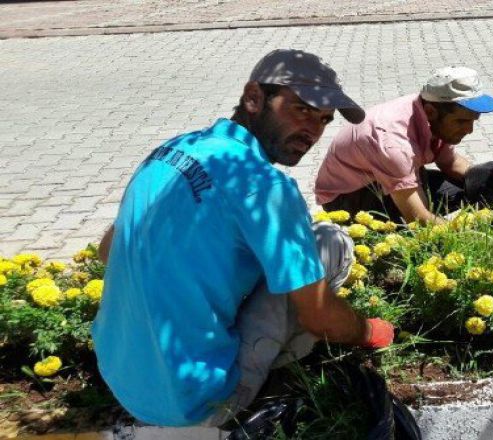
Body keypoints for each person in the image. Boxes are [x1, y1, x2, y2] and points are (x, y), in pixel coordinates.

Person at [91, 49, 394, 428]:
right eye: (301, 110)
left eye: (323, 120)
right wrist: (369, 330)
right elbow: (320, 318)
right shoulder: (266, 188)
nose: (312, 132)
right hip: (197, 402)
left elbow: (108, 250)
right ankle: (266, 369)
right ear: (254, 97)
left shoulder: (170, 151)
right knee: (329, 242)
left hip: (118, 374)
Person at [314, 66, 493, 224]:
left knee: (466, 192)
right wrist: (473, 235)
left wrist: (492, 183)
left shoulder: (431, 110)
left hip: (389, 175)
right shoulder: (393, 143)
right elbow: (417, 218)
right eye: (461, 122)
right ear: (430, 111)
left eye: (473, 121)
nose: (469, 130)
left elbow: (451, 163)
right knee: (417, 224)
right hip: (349, 198)